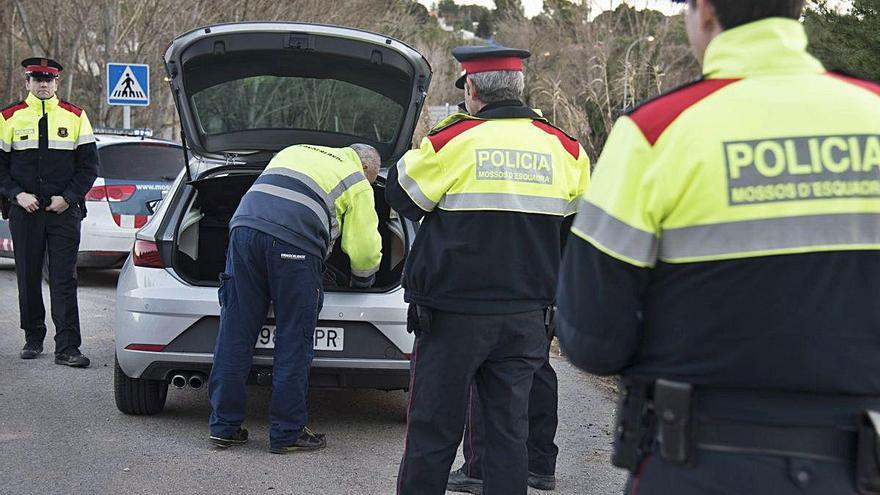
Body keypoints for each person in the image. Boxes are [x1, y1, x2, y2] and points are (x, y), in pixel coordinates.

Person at [557, 1, 880, 494]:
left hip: (699, 462)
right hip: (861, 467)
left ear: (705, 12)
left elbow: (593, 338)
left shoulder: (653, 132)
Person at [388, 45, 591, 495]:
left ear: (472, 88)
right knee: (508, 437)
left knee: (432, 432)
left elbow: (400, 195)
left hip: (452, 317)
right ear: (522, 88)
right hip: (526, 318)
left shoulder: (452, 141)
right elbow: (577, 232)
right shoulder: (568, 149)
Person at [207, 143, 382, 453]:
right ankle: (286, 433)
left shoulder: (295, 150)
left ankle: (223, 427)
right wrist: (362, 281)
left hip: (244, 230)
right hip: (295, 245)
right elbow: (364, 249)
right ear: (369, 169)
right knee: (293, 340)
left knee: (235, 333)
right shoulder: (357, 181)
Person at [0, 57, 97, 367]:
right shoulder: (8, 117)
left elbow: (89, 167)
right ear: (27, 82)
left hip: (63, 212)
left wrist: (68, 198)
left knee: (63, 278)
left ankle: (68, 347)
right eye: (37, 78)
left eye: (48, 79)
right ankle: (33, 336)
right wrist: (17, 195)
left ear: (57, 83)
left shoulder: (76, 116)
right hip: (24, 211)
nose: (43, 83)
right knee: (28, 276)